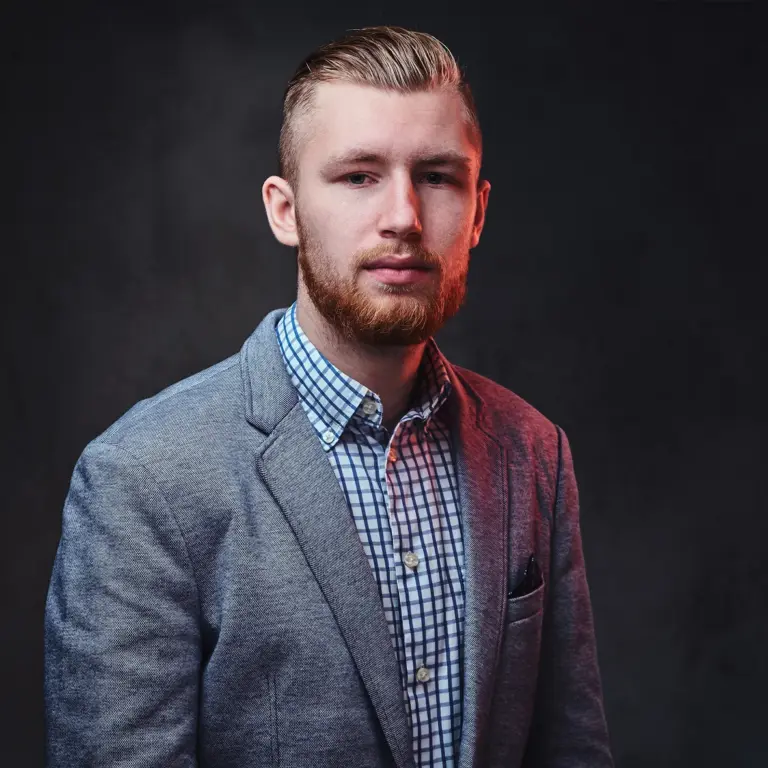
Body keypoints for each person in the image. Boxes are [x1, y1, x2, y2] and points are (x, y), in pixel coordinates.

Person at [44, 25, 613, 768]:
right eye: (358, 176)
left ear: (477, 212)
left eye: (437, 176)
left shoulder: (533, 450)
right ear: (285, 210)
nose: (404, 216)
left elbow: (571, 748)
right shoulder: (142, 479)